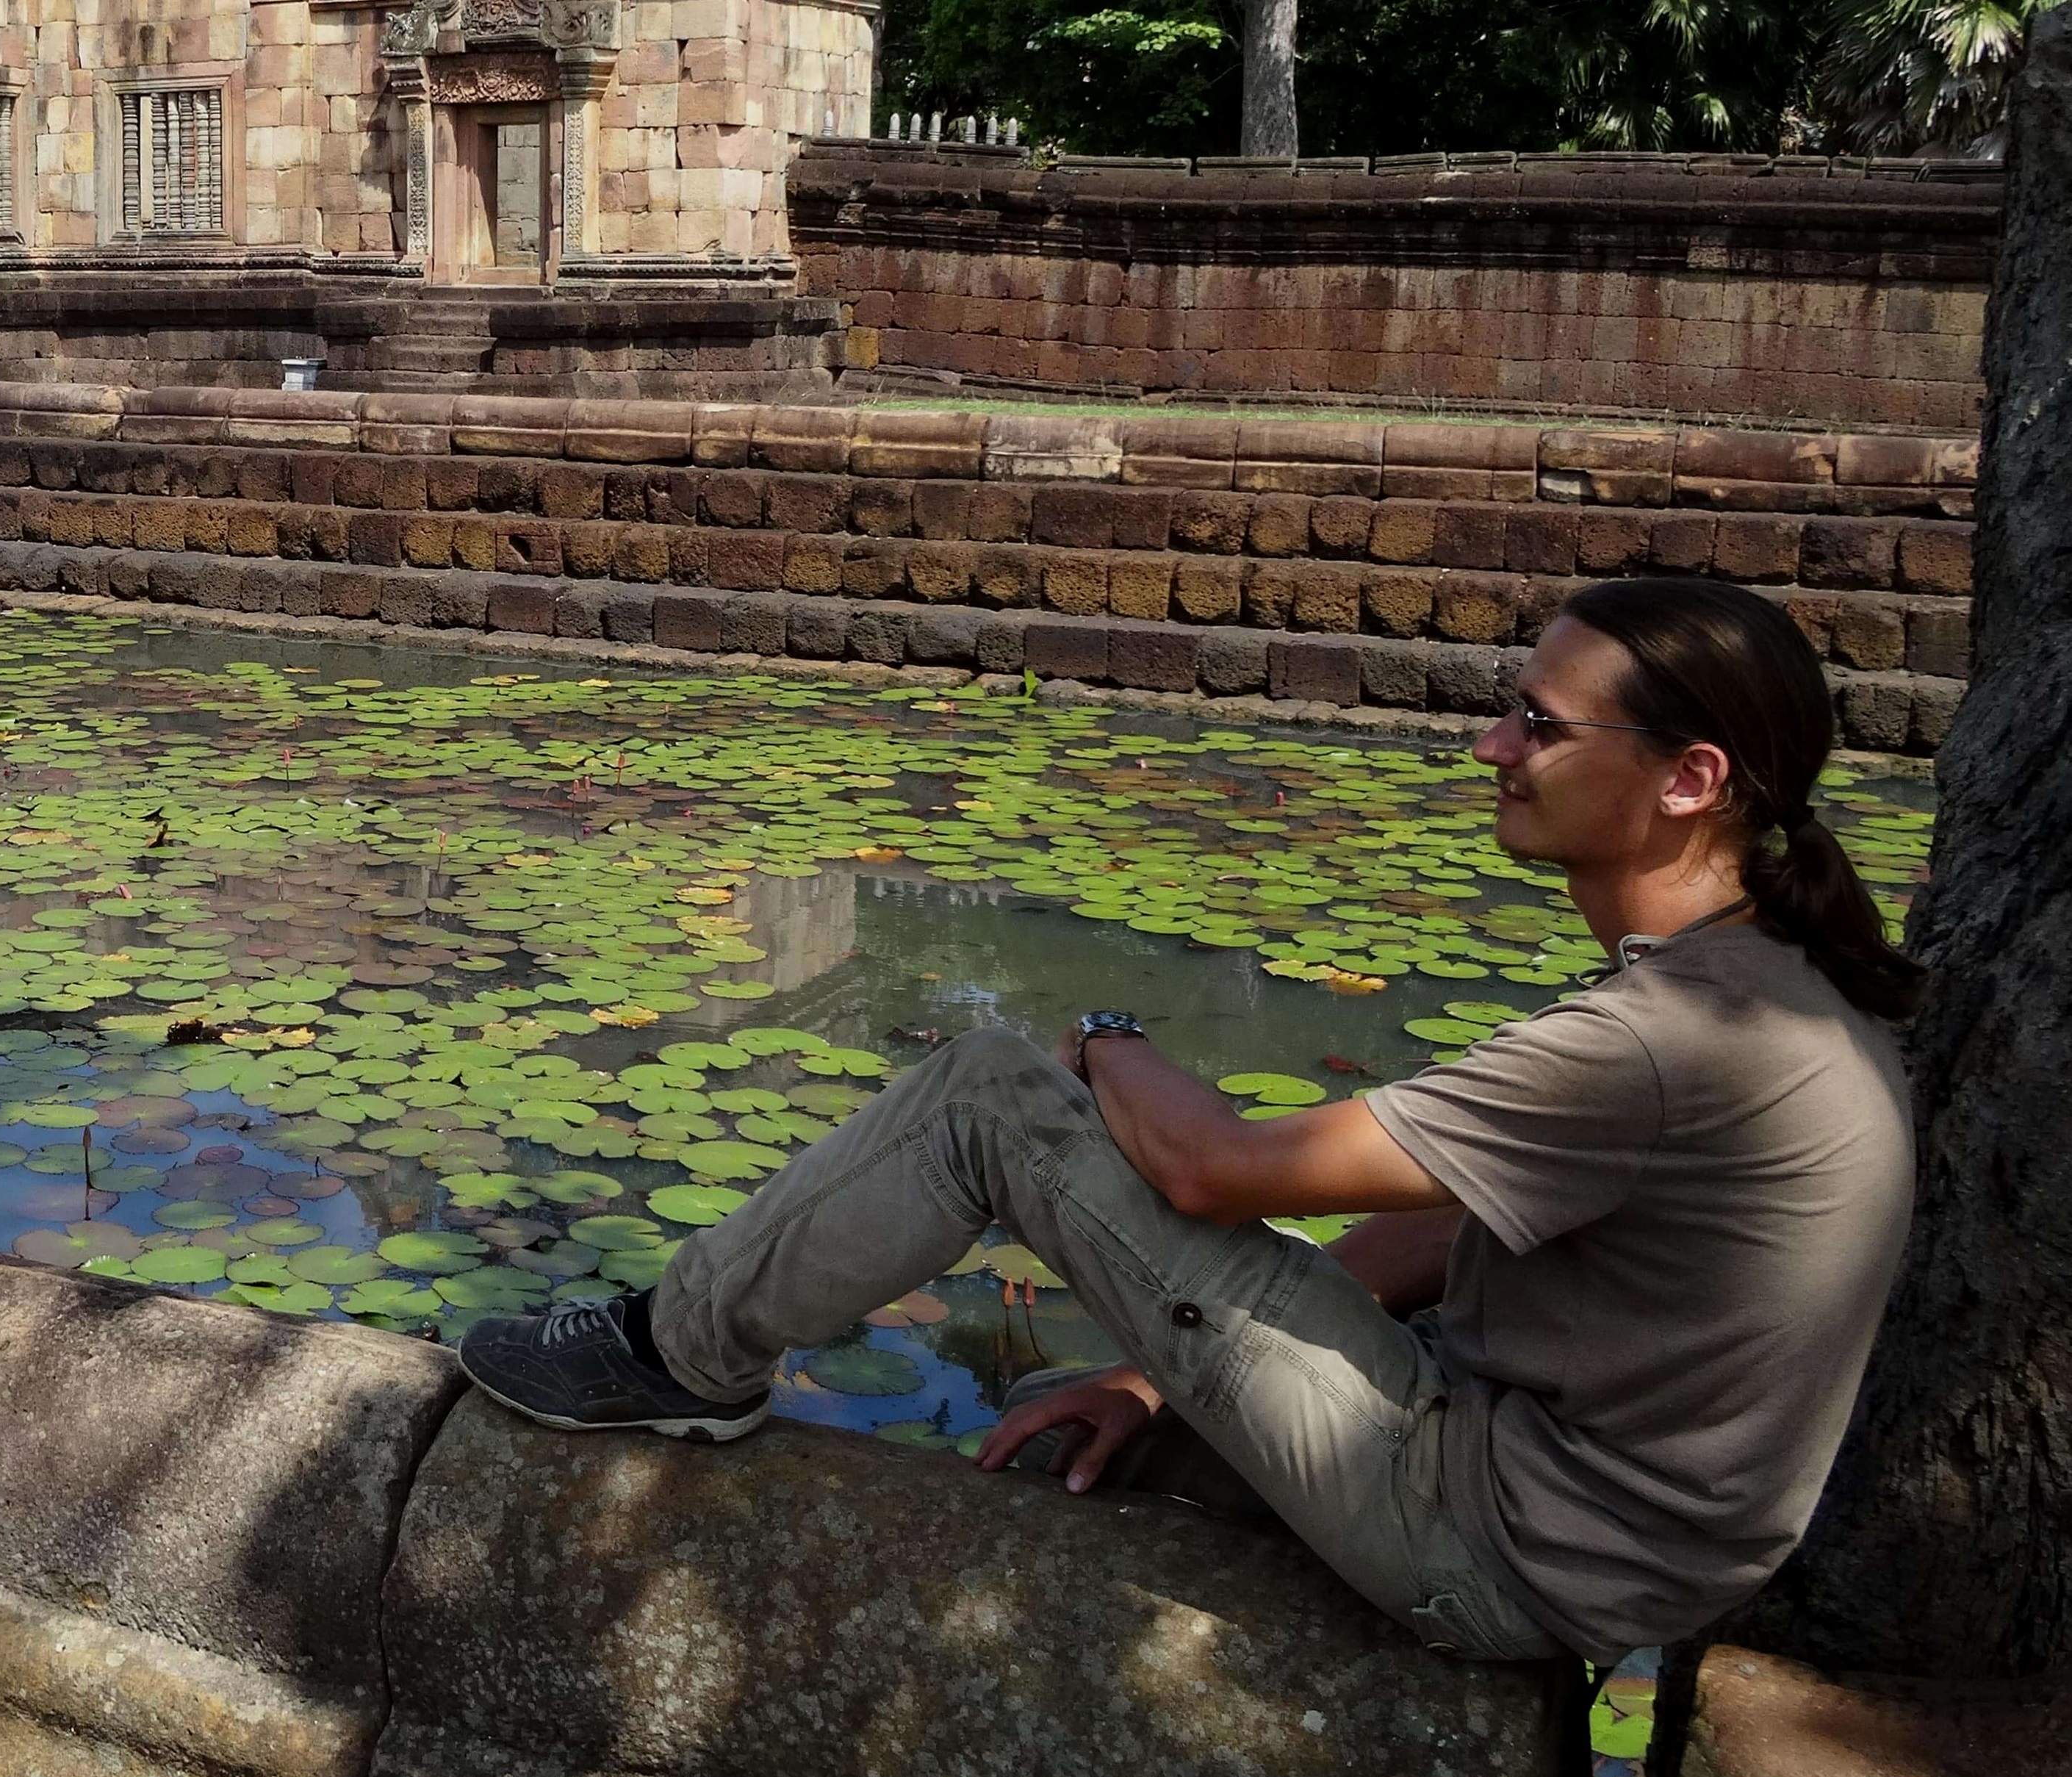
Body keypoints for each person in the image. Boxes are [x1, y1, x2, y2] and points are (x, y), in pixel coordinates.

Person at [455, 577, 1923, 1662]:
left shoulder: (1668, 1038)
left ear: (1690, 781)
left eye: (1536, 723)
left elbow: (1221, 1170)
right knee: (1104, 1430)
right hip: (1609, 1540)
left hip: (1514, 1550)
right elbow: (1446, 1218)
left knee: (985, 1098)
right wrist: (1164, 1384)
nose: (1491, 746)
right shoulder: (1767, 981)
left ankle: (679, 1352)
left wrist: (1100, 1041)